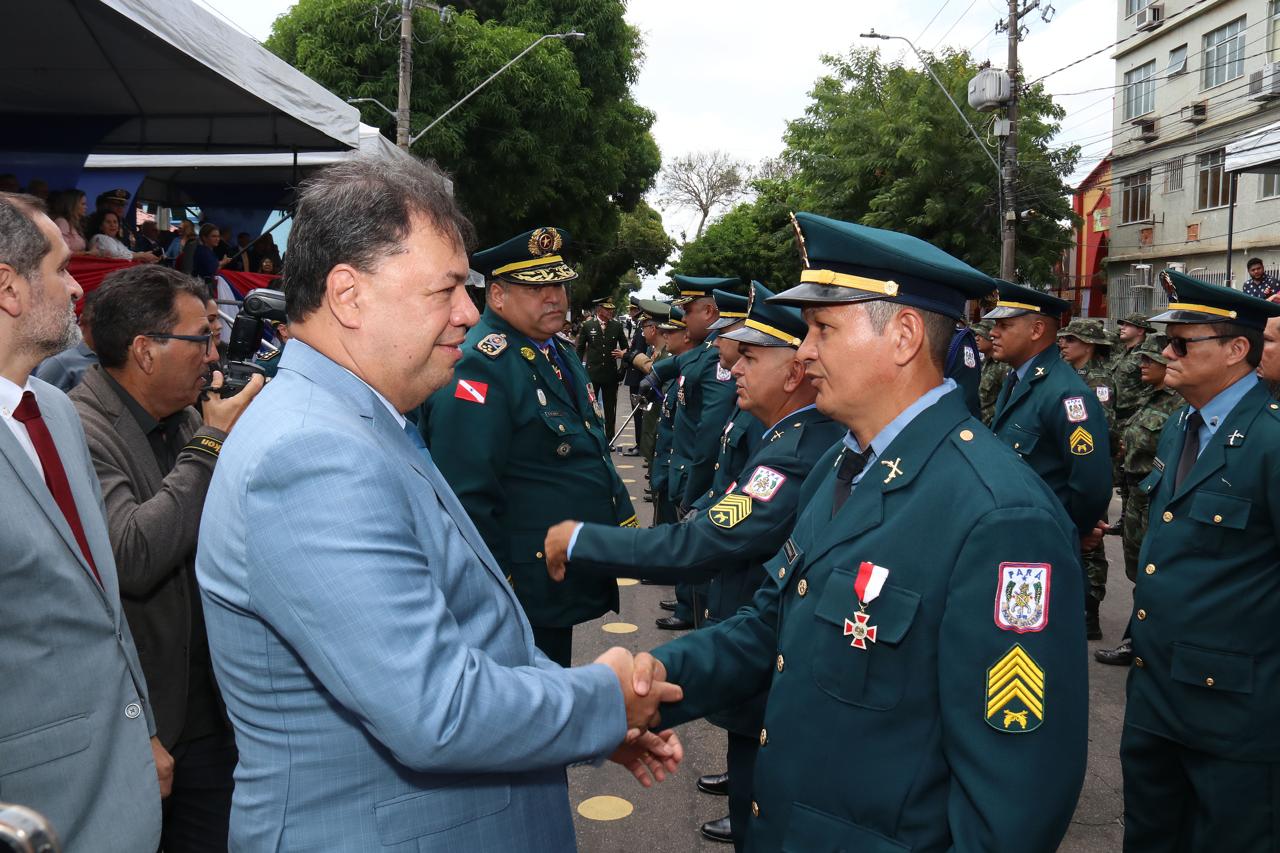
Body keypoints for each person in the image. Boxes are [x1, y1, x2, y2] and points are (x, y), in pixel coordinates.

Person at [196, 160, 682, 851]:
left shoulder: (360, 420)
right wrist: (603, 701)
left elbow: (485, 643)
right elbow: (435, 705)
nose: (466, 311)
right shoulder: (310, 454)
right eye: (447, 289)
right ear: (348, 295)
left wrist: (598, 725)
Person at [630, 212, 1088, 851]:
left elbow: (1013, 802)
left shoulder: (1001, 519)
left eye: (822, 328)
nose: (805, 350)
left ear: (903, 335)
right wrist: (644, 682)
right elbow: (771, 628)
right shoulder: (840, 465)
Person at [546, 282, 844, 849]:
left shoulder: (799, 450)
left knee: (760, 787)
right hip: (750, 623)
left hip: (764, 635)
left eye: (751, 358)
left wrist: (586, 540)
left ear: (791, 376)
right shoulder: (787, 437)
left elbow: (702, 542)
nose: (734, 368)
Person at [69, 265, 262, 852]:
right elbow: (133, 553)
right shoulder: (79, 427)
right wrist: (211, 444)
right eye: (200, 337)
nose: (213, 355)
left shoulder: (180, 419)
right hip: (146, 725)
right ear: (146, 351)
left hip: (208, 713)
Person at [0, 192, 167, 851]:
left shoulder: (57, 410)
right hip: (32, 803)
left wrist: (142, 726)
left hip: (117, 775)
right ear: (8, 287)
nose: (78, 287)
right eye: (63, 269)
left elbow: (100, 602)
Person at [419, 227, 637, 667]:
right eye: (538, 288)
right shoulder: (481, 363)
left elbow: (587, 442)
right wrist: (500, 589)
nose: (556, 297)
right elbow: (466, 494)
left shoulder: (556, 350)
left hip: (555, 575)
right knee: (531, 707)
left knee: (553, 693)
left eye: (558, 284)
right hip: (521, 584)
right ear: (497, 296)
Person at [1121, 270, 1280, 851]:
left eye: (1183, 343)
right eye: (1168, 340)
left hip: (1236, 712)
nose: (1166, 352)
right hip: (1157, 692)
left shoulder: (1271, 440)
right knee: (1150, 833)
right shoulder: (1179, 426)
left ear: (1238, 349)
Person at [985, 281, 1112, 639]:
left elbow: (1091, 482)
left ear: (1037, 329)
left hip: (1044, 544)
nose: (993, 332)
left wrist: (1076, 527)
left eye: (1004, 325)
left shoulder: (1066, 393)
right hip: (1016, 538)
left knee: (1031, 646)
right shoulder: (1020, 380)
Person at [658, 275, 741, 630]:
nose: (682, 315)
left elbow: (711, 429)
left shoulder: (719, 357)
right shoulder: (708, 351)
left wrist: (695, 480)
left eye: (688, 309)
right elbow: (679, 367)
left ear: (708, 311)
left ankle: (693, 607)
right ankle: (686, 600)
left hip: (700, 465)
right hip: (685, 460)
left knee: (697, 538)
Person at [1094, 334, 1181, 667]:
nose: (1143, 364)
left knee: (1150, 571)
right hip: (1136, 494)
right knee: (1137, 570)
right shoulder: (1151, 397)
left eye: (1150, 360)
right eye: (1142, 358)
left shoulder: (1178, 404)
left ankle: (1138, 641)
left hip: (1154, 496)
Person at [1056, 317, 1117, 640]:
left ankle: (1089, 609)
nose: (1064, 344)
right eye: (1063, 339)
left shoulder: (1099, 381)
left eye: (1072, 340)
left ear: (1089, 345)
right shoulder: (1066, 376)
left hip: (1088, 464)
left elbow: (1100, 427)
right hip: (1068, 467)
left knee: (1091, 542)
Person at [576, 296, 629, 441]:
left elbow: (626, 348)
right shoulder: (588, 326)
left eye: (612, 309)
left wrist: (623, 362)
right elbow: (579, 349)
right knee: (591, 407)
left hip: (610, 374)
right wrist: (578, 370)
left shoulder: (617, 326)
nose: (611, 312)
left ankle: (609, 438)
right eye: (608, 309)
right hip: (592, 373)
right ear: (599, 310)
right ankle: (593, 436)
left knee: (610, 408)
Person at [33, 286, 100, 392]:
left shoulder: (119, 356)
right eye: (98, 325)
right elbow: (42, 402)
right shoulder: (60, 362)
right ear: (82, 322)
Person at [971, 318, 1009, 425]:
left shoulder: (1003, 366)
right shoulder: (983, 363)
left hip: (989, 429)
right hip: (977, 424)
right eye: (976, 335)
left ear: (991, 338)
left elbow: (1006, 402)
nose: (976, 338)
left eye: (980, 335)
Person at [88, 210, 158, 264]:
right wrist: (142, 256)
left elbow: (128, 253)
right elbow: (114, 255)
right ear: (100, 226)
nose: (112, 225)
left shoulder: (116, 240)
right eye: (108, 222)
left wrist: (150, 255)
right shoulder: (99, 237)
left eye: (115, 222)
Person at [48, 189, 87, 253]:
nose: (86, 207)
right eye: (83, 204)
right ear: (72, 205)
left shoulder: (75, 225)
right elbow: (63, 250)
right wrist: (88, 253)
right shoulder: (62, 222)